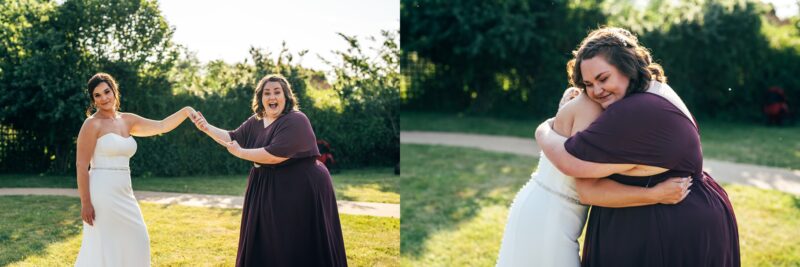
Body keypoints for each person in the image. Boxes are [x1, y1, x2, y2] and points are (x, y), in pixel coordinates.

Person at [535, 27, 740, 266]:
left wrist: (543, 130)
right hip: (678, 216)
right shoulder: (653, 91)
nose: (596, 91)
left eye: (603, 78)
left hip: (672, 229)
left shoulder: (635, 111)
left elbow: (570, 163)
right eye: (589, 84)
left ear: (626, 67)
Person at [496, 87, 691, 267]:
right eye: (592, 81)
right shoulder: (590, 108)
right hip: (550, 215)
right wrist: (655, 192)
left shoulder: (604, 109)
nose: (599, 88)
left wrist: (544, 128)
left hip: (544, 206)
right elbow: (582, 173)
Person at [190, 74, 348, 266]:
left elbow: (274, 155)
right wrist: (206, 128)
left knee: (295, 242)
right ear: (261, 98)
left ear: (286, 96)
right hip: (266, 187)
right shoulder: (257, 121)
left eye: (277, 92)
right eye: (267, 93)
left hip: (301, 189)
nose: (272, 97)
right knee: (268, 242)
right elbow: (232, 137)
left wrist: (240, 153)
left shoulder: (296, 119)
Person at [75, 73, 197, 266]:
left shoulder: (127, 120)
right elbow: (81, 166)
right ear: (93, 100)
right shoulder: (92, 124)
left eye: (107, 92)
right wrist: (86, 203)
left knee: (139, 240)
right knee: (107, 245)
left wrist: (186, 111)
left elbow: (161, 125)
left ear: (114, 91)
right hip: (102, 193)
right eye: (97, 95)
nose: (104, 98)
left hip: (125, 192)